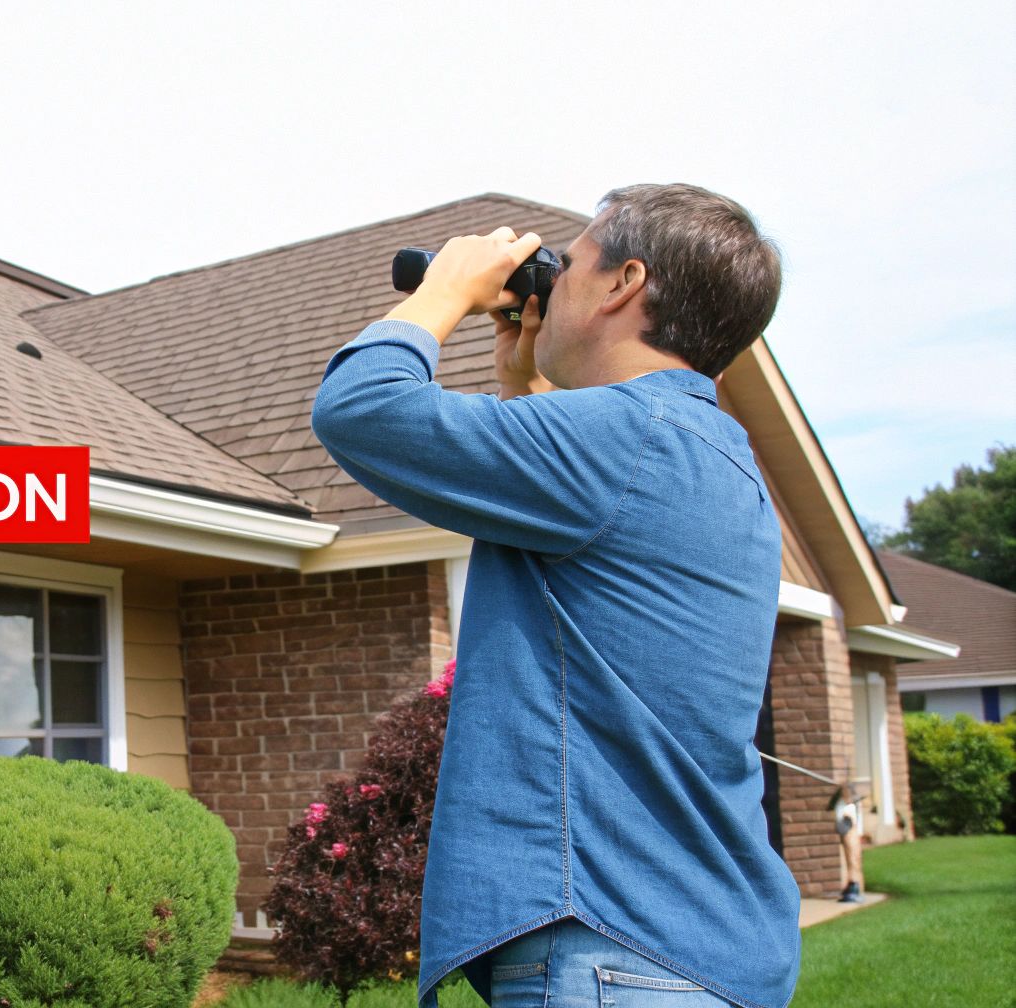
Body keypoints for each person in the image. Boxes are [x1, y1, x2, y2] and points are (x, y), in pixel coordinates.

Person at [312, 184, 800, 1008]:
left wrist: (444, 290)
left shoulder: (626, 439)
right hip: (693, 942)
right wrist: (523, 388)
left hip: (612, 947)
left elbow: (360, 408)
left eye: (568, 265)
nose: (553, 281)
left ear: (624, 284)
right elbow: (585, 566)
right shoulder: (703, 449)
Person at [829, 782, 866, 902]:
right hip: (848, 835)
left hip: (851, 834)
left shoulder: (849, 808)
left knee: (853, 860)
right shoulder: (842, 806)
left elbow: (846, 824)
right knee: (851, 860)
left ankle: (855, 885)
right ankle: (852, 885)